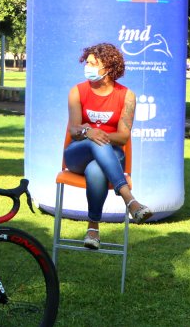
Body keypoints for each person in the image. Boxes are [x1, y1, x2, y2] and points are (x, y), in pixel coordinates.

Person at [65, 43, 153, 249]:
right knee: (96, 142)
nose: (87, 66)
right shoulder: (77, 91)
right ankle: (130, 200)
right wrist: (89, 132)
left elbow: (123, 137)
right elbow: (74, 130)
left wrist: (99, 134)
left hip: (111, 156)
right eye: (86, 62)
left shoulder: (127, 95)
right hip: (77, 153)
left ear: (108, 67)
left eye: (93, 63)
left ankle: (93, 229)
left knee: (96, 169)